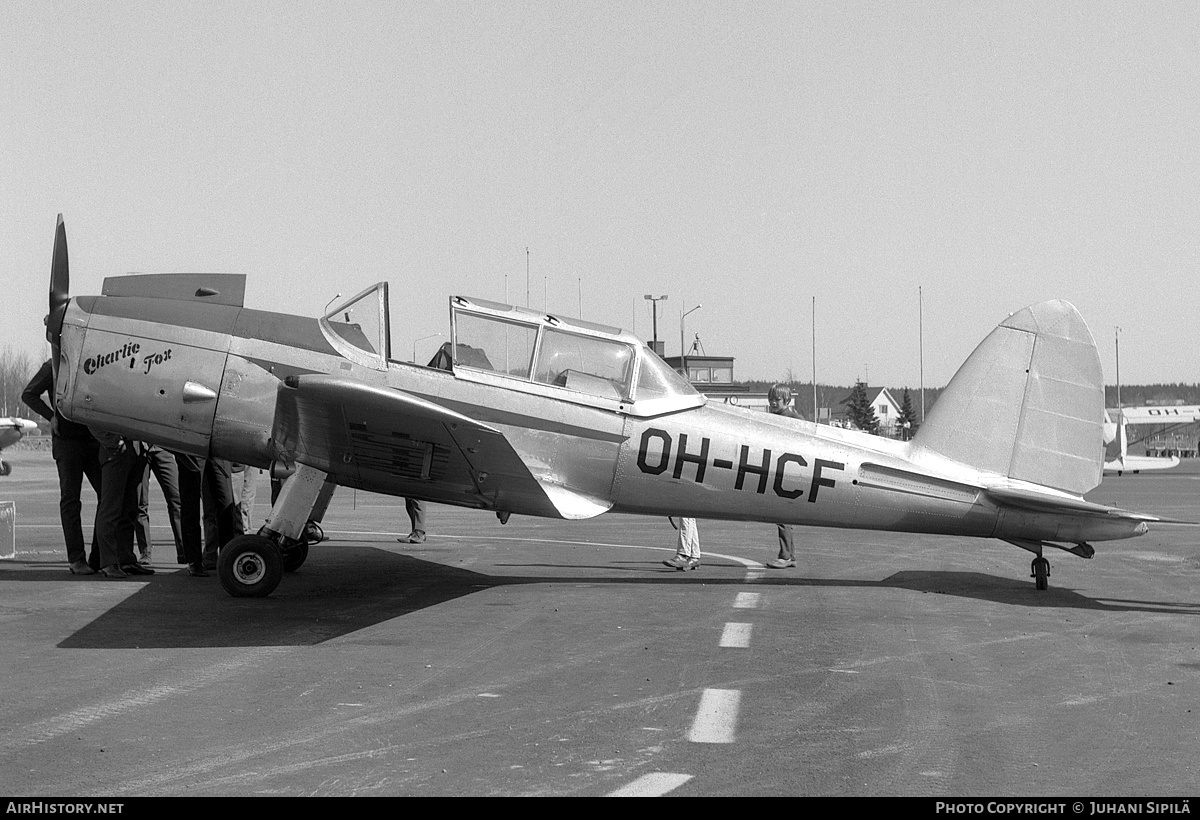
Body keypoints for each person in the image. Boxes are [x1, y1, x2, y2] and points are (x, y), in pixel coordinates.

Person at [22, 359, 102, 575]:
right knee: (71, 499)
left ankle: (98, 556)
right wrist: (51, 416)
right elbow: (28, 394)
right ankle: (76, 559)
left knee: (107, 496)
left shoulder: (93, 362)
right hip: (67, 442)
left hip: (93, 440)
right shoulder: (54, 366)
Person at [90, 430, 153, 578]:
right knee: (111, 508)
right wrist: (112, 442)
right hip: (116, 450)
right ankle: (108, 562)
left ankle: (126, 559)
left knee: (130, 508)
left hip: (136, 447)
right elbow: (90, 416)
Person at [767, 384, 802, 569]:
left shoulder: (792, 419)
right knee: (783, 517)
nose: (773, 403)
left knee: (782, 516)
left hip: (788, 474)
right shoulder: (777, 417)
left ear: (786, 401)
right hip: (782, 472)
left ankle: (786, 555)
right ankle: (790, 555)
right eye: (771, 399)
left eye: (777, 400)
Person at [135, 442, 184, 564]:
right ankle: (145, 551)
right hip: (139, 449)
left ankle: (184, 550)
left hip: (161, 447)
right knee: (140, 503)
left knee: (176, 499)